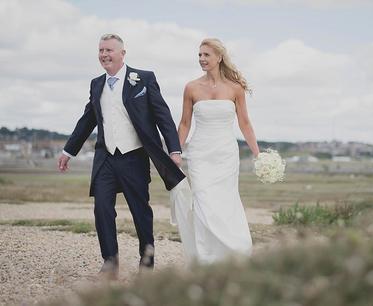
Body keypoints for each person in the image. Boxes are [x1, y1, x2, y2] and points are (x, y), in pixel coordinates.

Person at [57, 34, 185, 278]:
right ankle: (110, 262)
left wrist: (174, 149)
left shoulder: (144, 79)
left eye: (109, 50)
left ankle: (146, 261)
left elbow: (162, 116)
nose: (104, 54)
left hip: (134, 157)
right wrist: (68, 150)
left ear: (122, 53)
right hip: (105, 156)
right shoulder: (97, 84)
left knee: (140, 211)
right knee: (102, 208)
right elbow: (88, 119)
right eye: (101, 50)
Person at [175, 38, 260, 263]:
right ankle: (206, 258)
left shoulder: (235, 88)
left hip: (225, 154)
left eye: (206, 55)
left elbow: (245, 123)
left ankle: (234, 252)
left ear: (219, 57)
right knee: (203, 200)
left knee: (225, 201)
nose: (201, 59)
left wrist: (258, 154)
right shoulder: (191, 87)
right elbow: (184, 123)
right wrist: (175, 152)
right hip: (200, 153)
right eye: (200, 55)